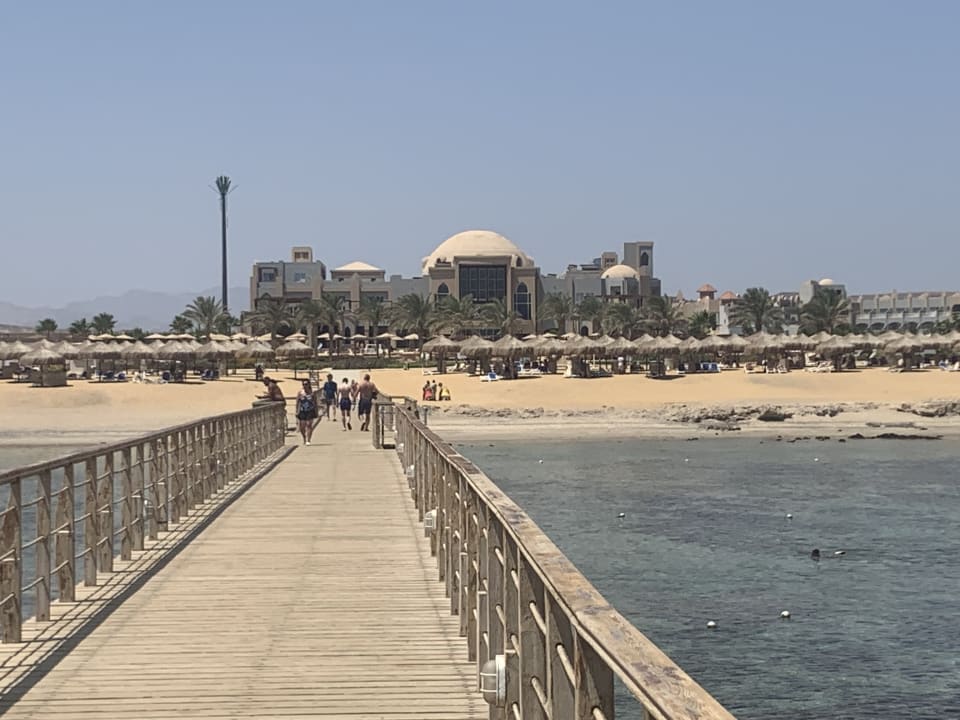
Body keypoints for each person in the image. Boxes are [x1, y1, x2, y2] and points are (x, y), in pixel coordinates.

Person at [295, 380, 319, 445]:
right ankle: (304, 438)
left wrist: (316, 411)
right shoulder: (300, 393)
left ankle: (308, 440)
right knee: (302, 426)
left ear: (309, 385)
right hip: (302, 411)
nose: (305, 386)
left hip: (310, 410)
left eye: (306, 384)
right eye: (303, 384)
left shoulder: (312, 393)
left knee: (309, 425)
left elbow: (315, 403)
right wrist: (297, 411)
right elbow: (297, 402)